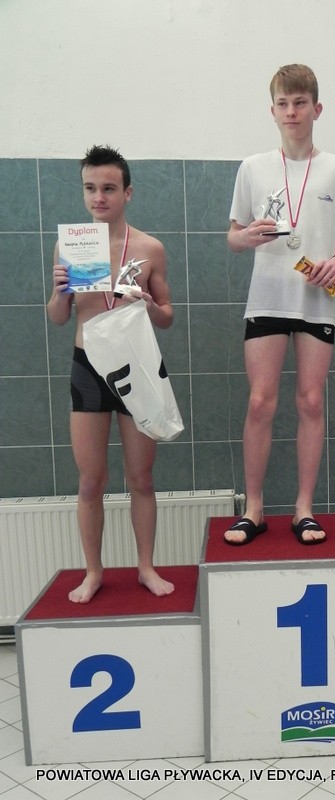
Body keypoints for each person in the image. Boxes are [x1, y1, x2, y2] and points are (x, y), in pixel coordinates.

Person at [224, 64, 335, 545]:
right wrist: (245, 237)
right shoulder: (253, 167)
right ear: (272, 110)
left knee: (311, 400)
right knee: (260, 401)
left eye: (300, 103)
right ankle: (254, 507)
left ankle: (304, 508)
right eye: (283, 104)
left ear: (316, 109)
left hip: (316, 298)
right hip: (267, 296)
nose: (291, 112)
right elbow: (233, 236)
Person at [47, 145, 175, 603]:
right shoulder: (70, 245)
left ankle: (146, 567)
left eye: (108, 188)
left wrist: (148, 303)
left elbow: (167, 317)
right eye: (90, 188)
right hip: (88, 366)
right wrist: (60, 293)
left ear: (127, 193)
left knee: (141, 477)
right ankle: (93, 572)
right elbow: (58, 318)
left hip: (135, 364)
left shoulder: (149, 248)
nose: (98, 197)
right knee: (90, 481)